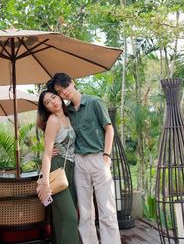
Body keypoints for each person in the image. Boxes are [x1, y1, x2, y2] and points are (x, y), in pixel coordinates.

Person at [47, 73, 121, 244]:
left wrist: (106, 157)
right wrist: (51, 150)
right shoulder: (68, 112)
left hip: (98, 159)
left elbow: (109, 129)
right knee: (85, 212)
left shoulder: (95, 102)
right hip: (79, 162)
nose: (63, 92)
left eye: (64, 87)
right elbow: (62, 134)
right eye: (59, 91)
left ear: (72, 83)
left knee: (106, 210)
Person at [36, 89, 80, 244]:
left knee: (63, 217)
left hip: (70, 169)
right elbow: (47, 153)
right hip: (57, 167)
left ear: (59, 97)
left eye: (53, 97)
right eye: (47, 102)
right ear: (46, 108)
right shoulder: (53, 120)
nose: (52, 102)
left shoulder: (70, 116)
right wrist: (46, 182)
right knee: (70, 216)